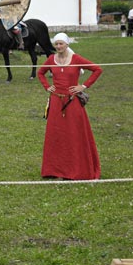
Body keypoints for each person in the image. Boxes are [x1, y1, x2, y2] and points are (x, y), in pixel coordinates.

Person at [37, 33, 102, 180]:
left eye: (61, 44)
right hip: (55, 102)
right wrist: (47, 86)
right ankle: (54, 169)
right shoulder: (51, 59)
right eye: (56, 44)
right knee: (56, 135)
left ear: (67, 44)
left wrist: (83, 86)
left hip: (72, 102)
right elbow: (40, 73)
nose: (58, 46)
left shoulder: (76, 59)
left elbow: (97, 69)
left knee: (74, 134)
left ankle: (76, 168)